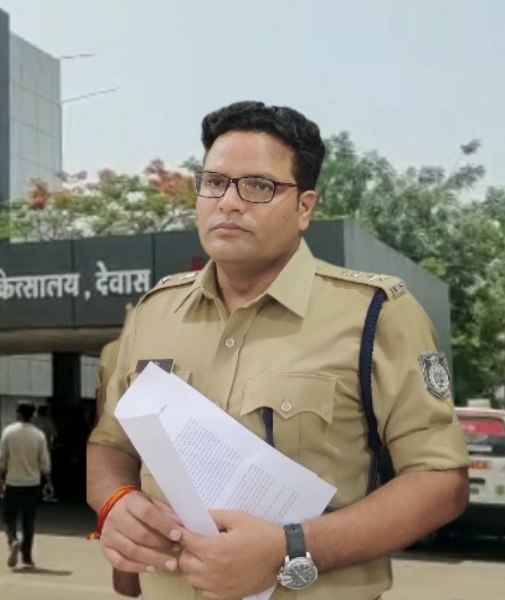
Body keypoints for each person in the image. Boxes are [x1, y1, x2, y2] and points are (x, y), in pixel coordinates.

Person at [87, 101, 470, 600]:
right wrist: (116, 500)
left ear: (304, 207)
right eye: (214, 182)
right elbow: (111, 444)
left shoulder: (375, 314)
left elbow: (440, 481)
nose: (228, 202)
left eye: (258, 186)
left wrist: (290, 550)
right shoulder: (153, 312)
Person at [0, 401, 51, 570]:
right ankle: (26, 556)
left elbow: (2, 459)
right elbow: (44, 462)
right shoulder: (39, 435)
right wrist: (49, 481)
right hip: (32, 484)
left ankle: (13, 540)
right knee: (28, 520)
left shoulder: (8, 432)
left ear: (18, 413)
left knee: (9, 517)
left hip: (13, 482)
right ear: (33, 415)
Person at [32, 405, 58, 501]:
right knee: (46, 472)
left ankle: (34, 492)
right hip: (44, 449)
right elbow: (55, 434)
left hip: (32, 449)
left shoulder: (32, 421)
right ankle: (48, 491)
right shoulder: (47, 421)